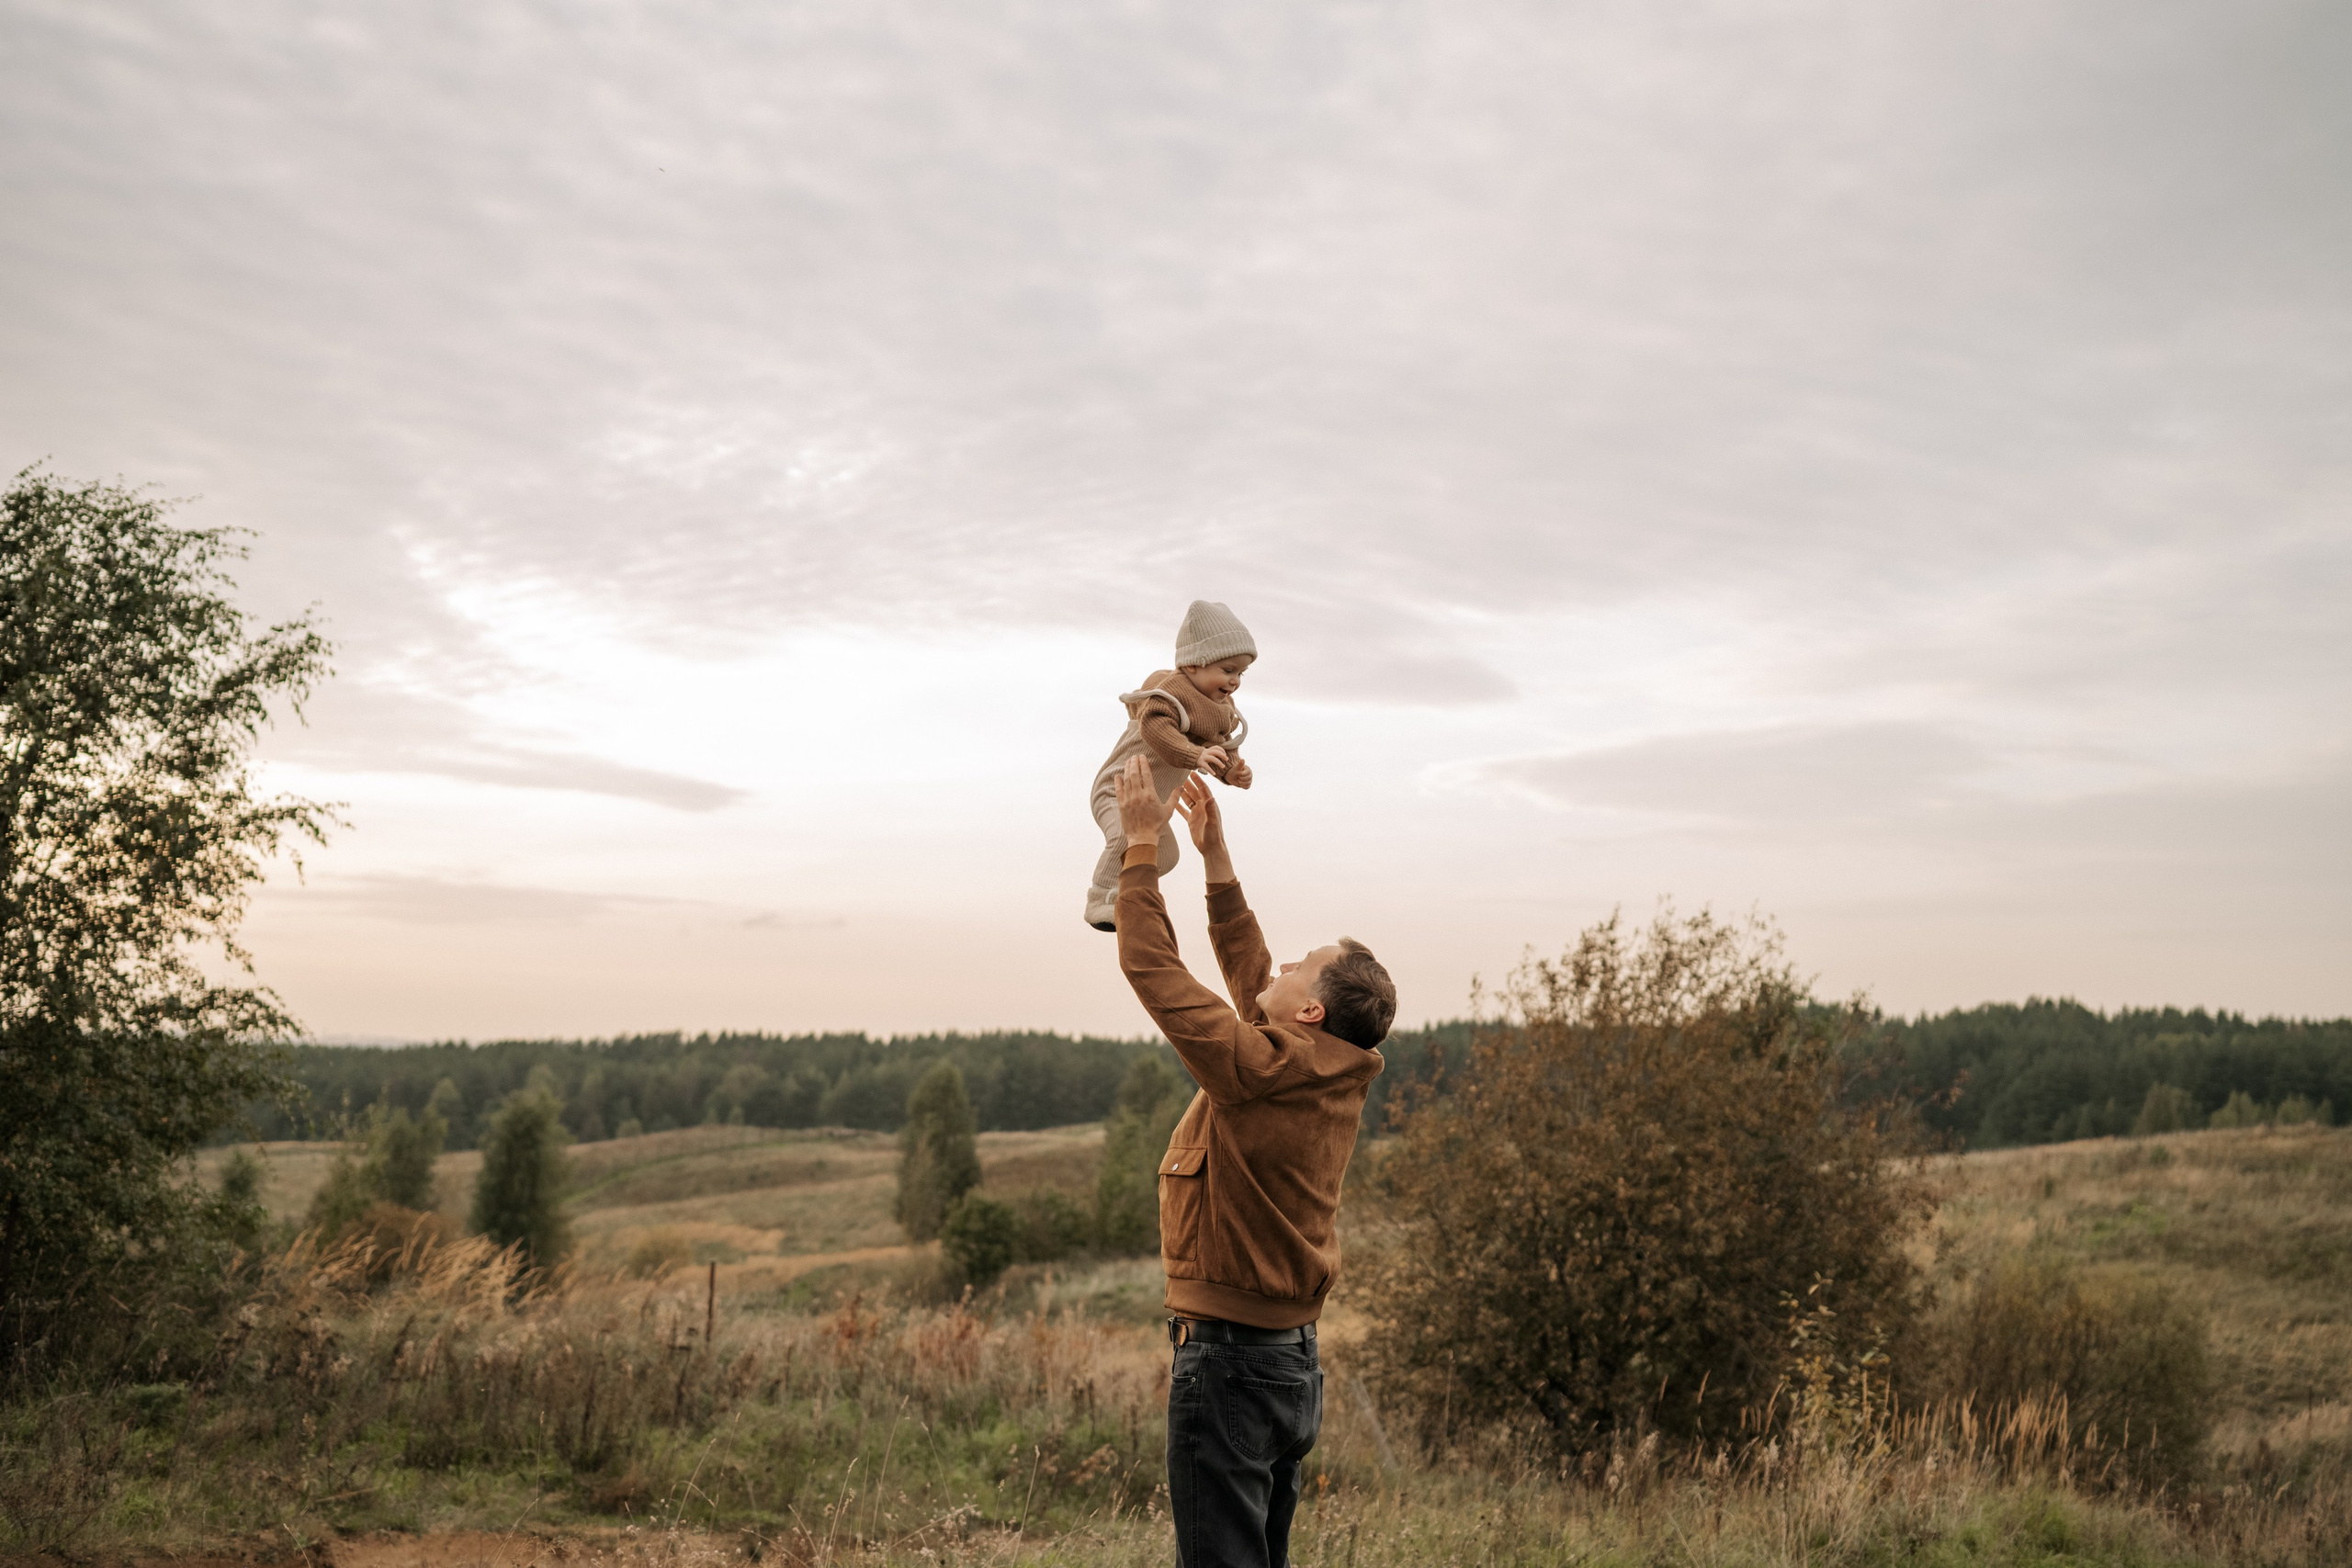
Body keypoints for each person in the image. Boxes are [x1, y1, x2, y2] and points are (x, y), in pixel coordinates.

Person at [1111, 756, 1396, 1568]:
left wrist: (1139, 850)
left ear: (1310, 1010)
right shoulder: (1318, 1066)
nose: (1274, 969)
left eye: (1296, 967)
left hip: (1233, 1362)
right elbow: (1252, 981)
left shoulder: (1261, 1068)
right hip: (1288, 1363)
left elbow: (1155, 972)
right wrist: (1214, 858)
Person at [1083, 599, 1257, 931]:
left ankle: (1126, 894)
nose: (1235, 681)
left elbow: (1218, 742)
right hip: (1118, 791)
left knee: (1167, 857)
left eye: (1240, 673)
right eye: (1228, 670)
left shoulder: (1216, 708)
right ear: (1193, 665)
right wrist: (1195, 756)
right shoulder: (1167, 695)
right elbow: (1158, 731)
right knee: (1124, 836)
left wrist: (1231, 770)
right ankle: (1101, 901)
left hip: (1152, 806)